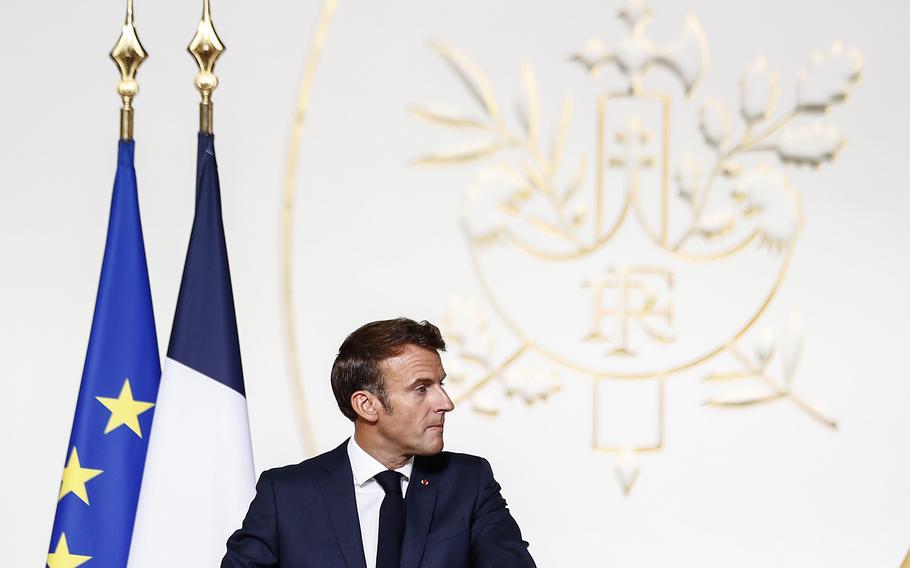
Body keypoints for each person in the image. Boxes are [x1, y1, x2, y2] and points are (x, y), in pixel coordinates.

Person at [221, 317, 536, 568]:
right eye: (421, 388)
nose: (446, 402)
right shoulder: (285, 494)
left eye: (440, 384)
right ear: (366, 405)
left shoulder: (470, 482)